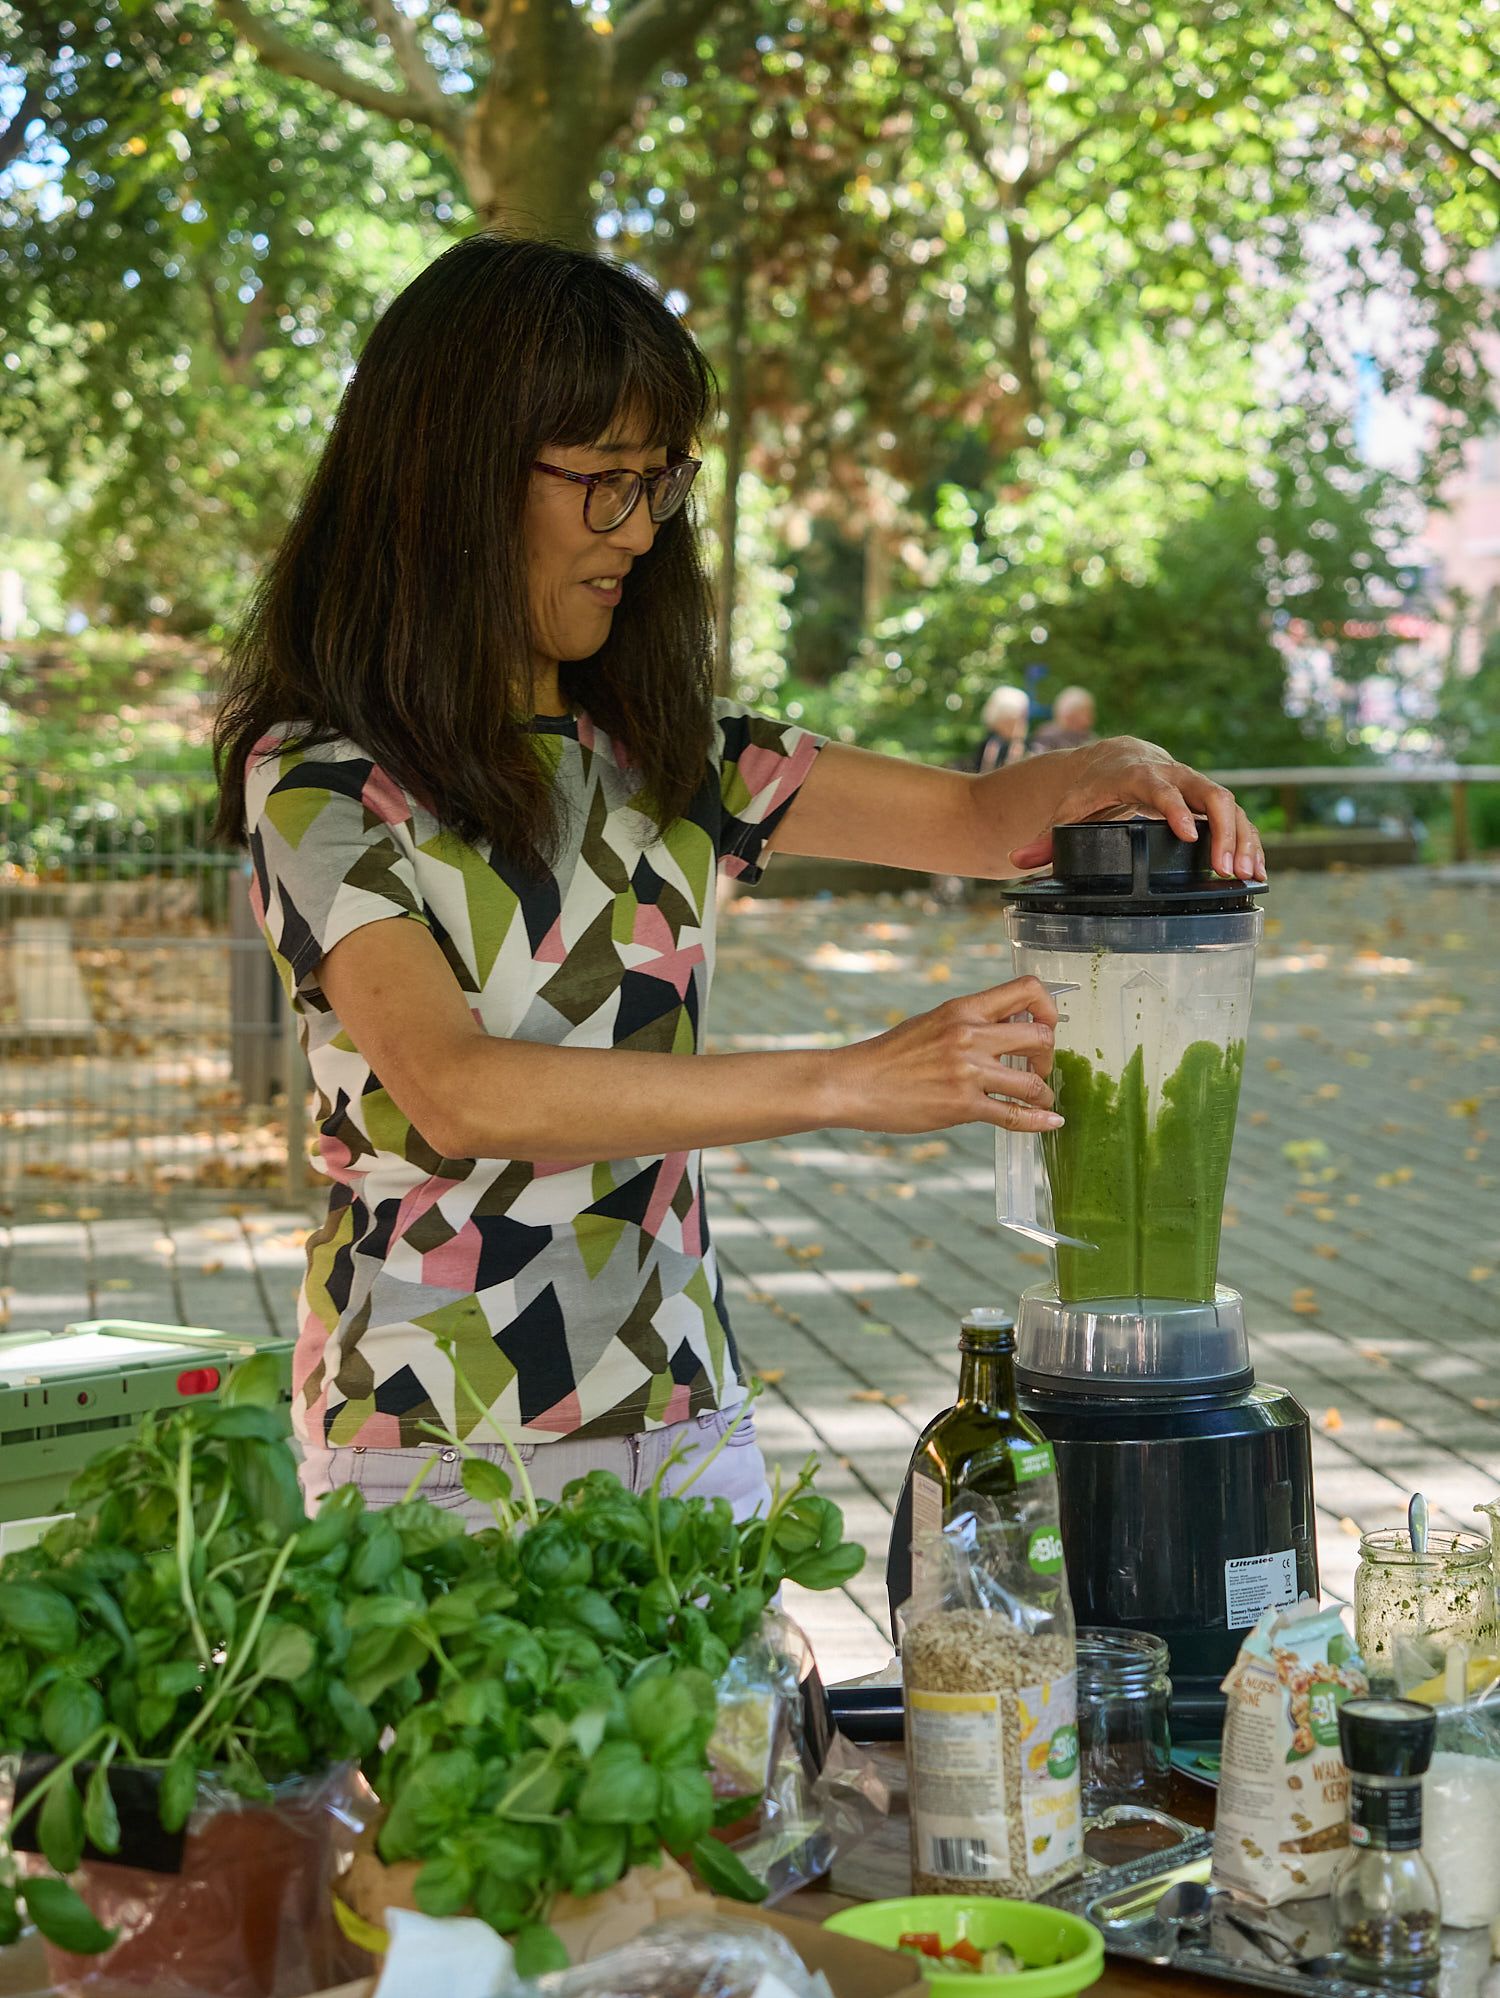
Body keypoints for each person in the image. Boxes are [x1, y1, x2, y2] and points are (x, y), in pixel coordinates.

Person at [212, 233, 1264, 1533]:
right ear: (454, 478)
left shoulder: (682, 759)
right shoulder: (323, 779)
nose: (643, 532)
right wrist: (849, 1080)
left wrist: (1117, 767)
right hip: (425, 1444)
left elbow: (986, 819)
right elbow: (457, 1089)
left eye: (661, 484)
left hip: (682, 1421)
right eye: (604, 482)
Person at [974, 684, 1031, 771]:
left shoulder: (1028, 748)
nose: (1022, 724)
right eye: (1013, 721)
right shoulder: (991, 745)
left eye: (1023, 718)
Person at [1031, 686, 1098, 756]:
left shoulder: (1090, 737)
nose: (1092, 717)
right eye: (1087, 712)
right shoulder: (1047, 737)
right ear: (1069, 715)